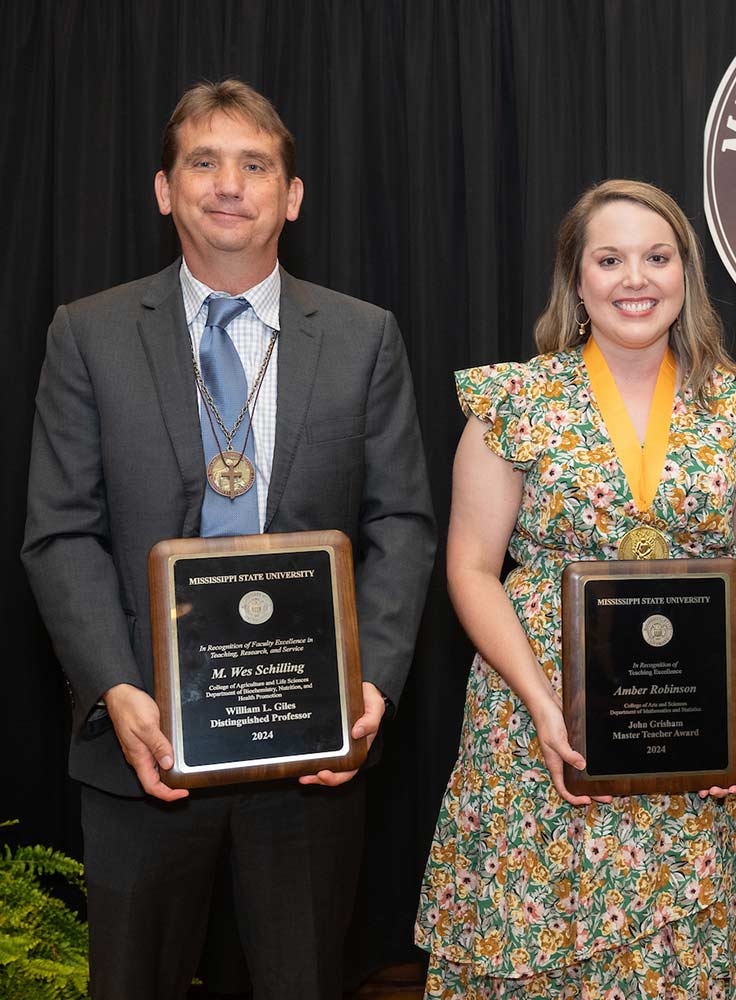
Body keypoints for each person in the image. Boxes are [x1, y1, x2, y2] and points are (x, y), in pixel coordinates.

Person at [20, 79, 436, 998]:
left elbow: (401, 522)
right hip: (145, 746)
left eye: (254, 165)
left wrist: (370, 688)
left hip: (310, 754)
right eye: (202, 162)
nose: (227, 184)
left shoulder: (365, 338)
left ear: (291, 197)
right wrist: (116, 690)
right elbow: (60, 531)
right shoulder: (86, 335)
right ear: (165, 190)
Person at [415, 179, 736, 998]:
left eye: (658, 258)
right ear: (578, 279)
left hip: (693, 736)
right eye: (611, 258)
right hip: (537, 730)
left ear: (686, 275)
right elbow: (471, 568)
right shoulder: (512, 403)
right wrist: (544, 708)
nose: (636, 278)